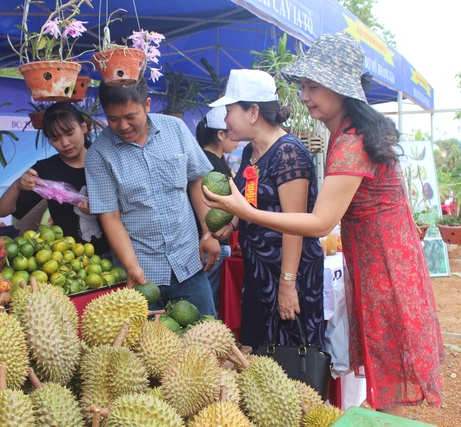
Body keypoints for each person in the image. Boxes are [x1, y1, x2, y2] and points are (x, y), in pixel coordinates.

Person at [203, 33, 445, 416]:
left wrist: (244, 212)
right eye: (302, 86)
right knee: (380, 361)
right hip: (373, 259)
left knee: (386, 363)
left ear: (340, 89)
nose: (303, 96)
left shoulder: (350, 142)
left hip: (385, 264)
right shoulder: (341, 135)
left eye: (313, 87)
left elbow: (319, 222)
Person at [207, 69, 325, 352]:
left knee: (289, 361)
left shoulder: (288, 153)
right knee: (258, 354)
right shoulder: (251, 152)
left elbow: (294, 225)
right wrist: (233, 222)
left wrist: (287, 283)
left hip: (289, 272)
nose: (224, 120)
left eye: (229, 110)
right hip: (259, 272)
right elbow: (252, 200)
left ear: (253, 112)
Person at [84, 78, 218, 316]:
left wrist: (208, 231)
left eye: (130, 116)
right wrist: (131, 266)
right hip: (141, 275)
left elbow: (196, 179)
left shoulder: (175, 129)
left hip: (188, 263)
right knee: (146, 350)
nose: (123, 126)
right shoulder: (99, 155)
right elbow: (110, 216)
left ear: (146, 104)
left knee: (207, 343)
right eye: (113, 119)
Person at [0, 102, 110, 256]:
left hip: (113, 253)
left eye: (69, 133)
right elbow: (2, 211)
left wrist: (99, 211)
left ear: (84, 127)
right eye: (55, 138)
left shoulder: (106, 162)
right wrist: (17, 185)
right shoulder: (45, 170)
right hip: (67, 260)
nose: (65, 143)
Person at [194, 106, 238, 312]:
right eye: (232, 131)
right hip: (213, 243)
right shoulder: (208, 164)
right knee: (209, 307)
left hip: (215, 241)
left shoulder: (214, 160)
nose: (237, 138)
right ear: (221, 134)